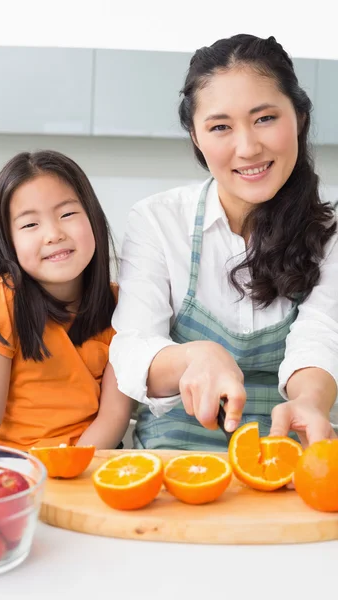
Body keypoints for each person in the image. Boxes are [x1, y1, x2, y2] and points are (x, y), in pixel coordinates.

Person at [109, 33, 338, 451]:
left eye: (265, 118)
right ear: (196, 137)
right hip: (174, 466)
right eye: (220, 127)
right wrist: (195, 357)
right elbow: (132, 348)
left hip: (284, 456)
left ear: (300, 117)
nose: (248, 147)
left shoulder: (330, 234)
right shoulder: (158, 221)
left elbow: (319, 334)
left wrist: (309, 401)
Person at [0, 150, 133, 451]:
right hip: (18, 466)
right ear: (7, 241)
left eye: (67, 214)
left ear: (92, 217)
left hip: (93, 459)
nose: (53, 234)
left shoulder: (124, 305)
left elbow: (113, 417)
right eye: (29, 225)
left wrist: (70, 472)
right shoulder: (0, 302)